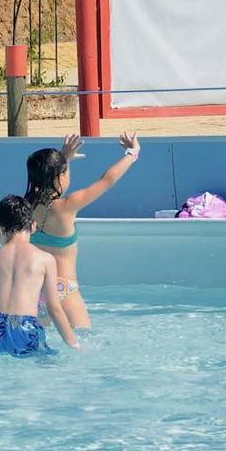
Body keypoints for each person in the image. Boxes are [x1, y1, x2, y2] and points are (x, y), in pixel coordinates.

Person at [23, 132, 139, 330]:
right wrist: (132, 152)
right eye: (66, 172)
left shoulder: (24, 207)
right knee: (82, 346)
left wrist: (64, 158)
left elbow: (49, 182)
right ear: (60, 176)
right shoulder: (67, 206)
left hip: (34, 292)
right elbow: (107, 180)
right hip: (63, 290)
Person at [0, 195, 80, 358]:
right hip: (25, 328)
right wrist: (73, 343)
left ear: (0, 228)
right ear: (32, 226)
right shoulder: (45, 260)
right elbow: (54, 310)